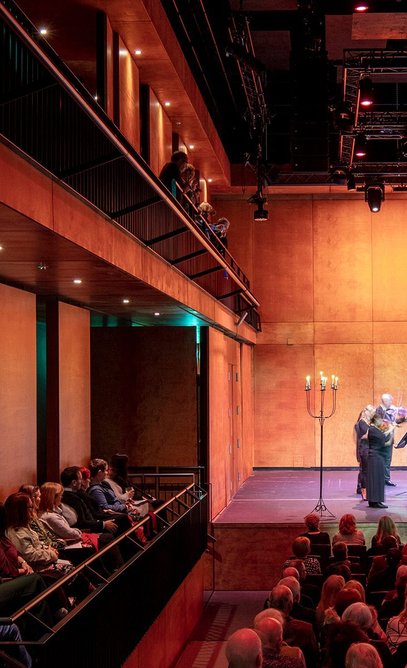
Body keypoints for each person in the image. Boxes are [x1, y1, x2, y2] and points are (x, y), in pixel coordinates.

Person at [375, 393, 406, 486]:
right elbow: (379, 425)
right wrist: (391, 424)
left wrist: (403, 419)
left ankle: (386, 479)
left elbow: (394, 421)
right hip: (381, 439)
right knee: (380, 459)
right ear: (385, 401)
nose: (391, 403)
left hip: (389, 439)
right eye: (390, 401)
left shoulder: (391, 410)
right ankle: (379, 479)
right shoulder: (378, 411)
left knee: (388, 459)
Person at [367, 413, 396, 508]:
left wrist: (391, 433)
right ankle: (375, 501)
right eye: (380, 420)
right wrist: (392, 429)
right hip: (375, 457)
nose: (382, 422)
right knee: (376, 479)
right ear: (376, 420)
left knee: (377, 479)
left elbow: (385, 441)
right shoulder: (372, 429)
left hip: (377, 456)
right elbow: (383, 439)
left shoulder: (375, 430)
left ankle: (374, 500)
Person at [355, 405, 375, 499]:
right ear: (368, 413)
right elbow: (367, 435)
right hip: (364, 449)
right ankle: (364, 491)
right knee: (365, 471)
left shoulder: (368, 423)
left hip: (368, 449)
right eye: (373, 413)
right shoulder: (362, 423)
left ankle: (367, 490)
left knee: (367, 471)